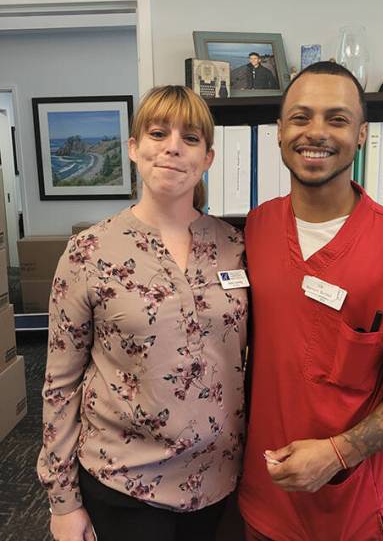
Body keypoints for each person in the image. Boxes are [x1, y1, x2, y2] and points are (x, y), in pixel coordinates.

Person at [238, 61, 383, 541]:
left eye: (338, 118)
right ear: (280, 131)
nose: (317, 132)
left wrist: (338, 452)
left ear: (363, 134)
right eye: (301, 117)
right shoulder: (257, 228)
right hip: (263, 505)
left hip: (352, 515)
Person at [38, 85, 248, 541]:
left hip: (216, 479)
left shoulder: (235, 247)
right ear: (133, 148)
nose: (173, 146)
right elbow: (60, 384)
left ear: (208, 158)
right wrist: (62, 500)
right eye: (158, 133)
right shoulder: (88, 252)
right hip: (124, 480)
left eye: (190, 138)